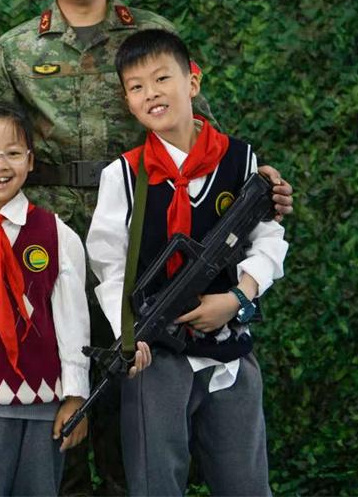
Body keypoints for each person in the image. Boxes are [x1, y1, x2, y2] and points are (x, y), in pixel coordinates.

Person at [0, 0, 294, 494]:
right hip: (49, 241)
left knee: (138, 391)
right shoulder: (16, 49)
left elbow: (202, 137)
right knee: (62, 382)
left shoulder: (151, 34)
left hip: (145, 238)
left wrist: (261, 183)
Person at [86, 29, 287, 495]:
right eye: (137, 87)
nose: (151, 93)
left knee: (245, 482)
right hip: (155, 358)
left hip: (229, 348)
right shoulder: (123, 175)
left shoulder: (240, 160)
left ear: (192, 82)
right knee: (156, 482)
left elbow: (268, 240)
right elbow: (110, 267)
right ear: (127, 101)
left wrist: (238, 298)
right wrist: (130, 335)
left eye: (162, 79)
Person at [0, 101, 151, 496]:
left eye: (13, 153)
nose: (0, 165)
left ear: (30, 160)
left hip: (45, 406)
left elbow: (72, 325)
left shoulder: (57, 234)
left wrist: (75, 397)